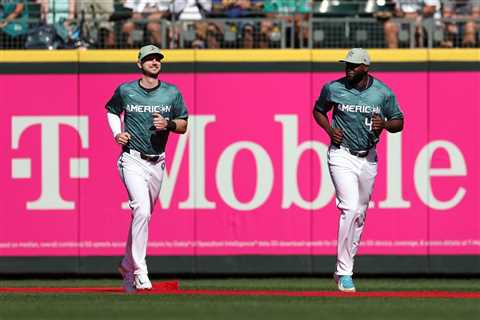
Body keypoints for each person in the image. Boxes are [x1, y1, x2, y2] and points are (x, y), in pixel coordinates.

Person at [312, 48, 404, 292]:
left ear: (365, 67)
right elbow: (318, 110)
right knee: (350, 208)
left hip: (368, 158)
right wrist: (329, 131)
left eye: (354, 65)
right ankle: (344, 272)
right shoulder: (333, 88)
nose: (348, 69)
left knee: (360, 215)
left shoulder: (382, 92)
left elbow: (399, 122)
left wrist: (384, 124)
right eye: (346, 65)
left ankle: (345, 267)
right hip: (341, 154)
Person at [105, 44, 189, 293]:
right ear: (139, 64)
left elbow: (183, 125)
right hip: (131, 159)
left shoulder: (171, 93)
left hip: (157, 162)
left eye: (157, 59)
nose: (154, 62)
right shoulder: (126, 90)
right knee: (141, 211)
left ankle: (126, 264)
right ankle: (140, 270)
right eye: (149, 59)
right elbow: (111, 110)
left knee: (143, 216)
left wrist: (169, 123)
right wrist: (117, 133)